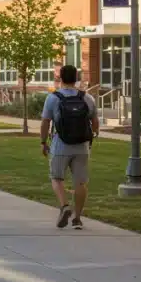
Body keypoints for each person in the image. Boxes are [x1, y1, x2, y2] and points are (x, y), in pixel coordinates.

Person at [41, 64, 99, 230]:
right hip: (82, 146)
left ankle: (65, 205)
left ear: (60, 78)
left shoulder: (53, 98)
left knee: (57, 178)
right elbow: (95, 122)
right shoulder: (87, 98)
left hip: (60, 145)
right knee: (80, 182)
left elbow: (45, 122)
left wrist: (43, 142)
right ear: (76, 78)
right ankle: (78, 219)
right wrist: (92, 138)